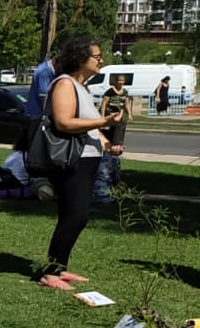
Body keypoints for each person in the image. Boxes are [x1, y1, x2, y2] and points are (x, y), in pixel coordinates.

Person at [38, 38, 121, 291]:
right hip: (73, 160)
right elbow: (64, 122)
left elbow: (89, 126)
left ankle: (60, 267)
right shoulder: (64, 84)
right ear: (80, 58)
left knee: (72, 214)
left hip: (88, 159)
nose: (101, 60)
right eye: (97, 56)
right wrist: (102, 122)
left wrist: (107, 143)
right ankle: (50, 273)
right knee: (76, 215)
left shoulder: (81, 87)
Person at [95, 71, 131, 201]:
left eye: (123, 81)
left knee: (116, 146)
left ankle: (115, 180)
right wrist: (103, 118)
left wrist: (129, 113)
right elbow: (104, 103)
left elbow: (125, 103)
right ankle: (108, 184)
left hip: (118, 120)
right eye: (119, 80)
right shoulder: (110, 92)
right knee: (108, 147)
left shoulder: (125, 92)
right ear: (115, 81)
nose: (121, 83)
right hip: (108, 119)